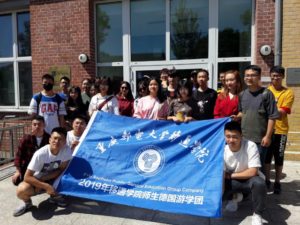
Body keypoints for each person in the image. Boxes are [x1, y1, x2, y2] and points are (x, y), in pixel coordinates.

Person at [13, 127, 72, 217]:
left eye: (60, 139)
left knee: (68, 176)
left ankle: (55, 197)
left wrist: (45, 179)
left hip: (51, 177)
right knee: (21, 190)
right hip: (36, 179)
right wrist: (44, 185)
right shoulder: (40, 154)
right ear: (50, 139)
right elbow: (27, 177)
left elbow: (61, 169)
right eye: (55, 138)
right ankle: (27, 203)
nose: (57, 141)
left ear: (65, 142)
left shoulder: (67, 150)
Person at [232, 65, 279, 169]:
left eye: (253, 75)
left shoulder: (267, 94)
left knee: (258, 168)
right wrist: (237, 117)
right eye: (247, 75)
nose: (249, 78)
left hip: (260, 139)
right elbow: (242, 112)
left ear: (259, 77)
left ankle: (260, 185)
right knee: (245, 166)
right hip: (243, 138)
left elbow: (272, 117)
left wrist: (267, 136)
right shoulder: (242, 95)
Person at [223, 121, 266, 225]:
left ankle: (257, 214)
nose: (231, 140)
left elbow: (253, 171)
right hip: (232, 181)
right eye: (228, 136)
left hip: (249, 179)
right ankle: (234, 198)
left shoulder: (251, 146)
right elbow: (221, 174)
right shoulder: (222, 149)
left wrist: (230, 175)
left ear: (241, 136)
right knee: (218, 184)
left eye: (235, 137)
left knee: (259, 183)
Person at [265, 66, 294, 194]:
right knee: (266, 157)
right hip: (266, 131)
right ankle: (266, 180)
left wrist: (268, 112)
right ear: (270, 76)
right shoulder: (266, 91)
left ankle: (277, 181)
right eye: (273, 75)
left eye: (278, 75)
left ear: (282, 77)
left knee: (279, 158)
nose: (275, 77)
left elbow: (282, 113)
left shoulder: (288, 93)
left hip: (280, 131)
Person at [12, 116, 50, 186]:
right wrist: (17, 171)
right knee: (16, 181)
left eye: (39, 124)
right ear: (31, 126)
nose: (37, 126)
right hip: (29, 166)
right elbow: (18, 156)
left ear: (44, 125)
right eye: (34, 124)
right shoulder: (26, 138)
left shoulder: (49, 138)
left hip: (42, 167)